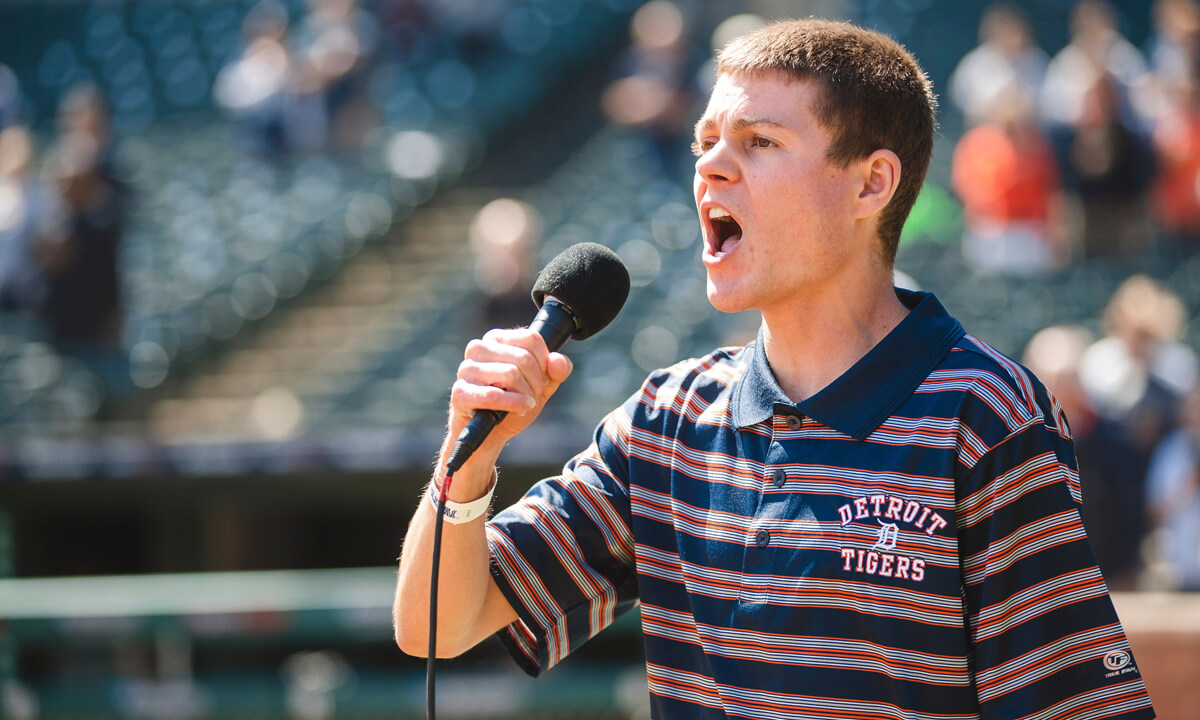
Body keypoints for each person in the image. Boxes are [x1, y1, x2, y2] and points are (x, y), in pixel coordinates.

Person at [394, 19, 1156, 719]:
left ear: (871, 184)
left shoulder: (988, 415)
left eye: (758, 141)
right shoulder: (666, 418)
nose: (711, 169)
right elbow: (440, 622)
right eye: (706, 142)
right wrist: (469, 461)